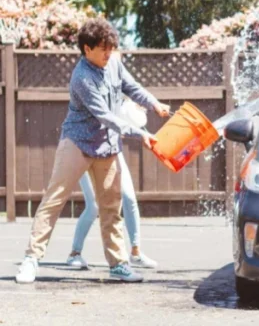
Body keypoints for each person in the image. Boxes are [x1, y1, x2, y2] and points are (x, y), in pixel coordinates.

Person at [15, 18, 170, 284]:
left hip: (106, 146)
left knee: (111, 206)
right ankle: (31, 260)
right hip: (77, 143)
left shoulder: (114, 63)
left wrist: (154, 103)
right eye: (102, 49)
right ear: (87, 50)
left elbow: (131, 87)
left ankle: (118, 264)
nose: (108, 53)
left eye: (111, 47)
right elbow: (106, 116)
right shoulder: (82, 78)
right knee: (54, 200)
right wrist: (141, 133)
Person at [66, 103, 157, 269]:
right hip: (84, 147)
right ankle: (75, 254)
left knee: (129, 197)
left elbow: (135, 126)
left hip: (111, 150)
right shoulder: (94, 92)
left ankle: (135, 253)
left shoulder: (125, 99)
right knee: (93, 206)